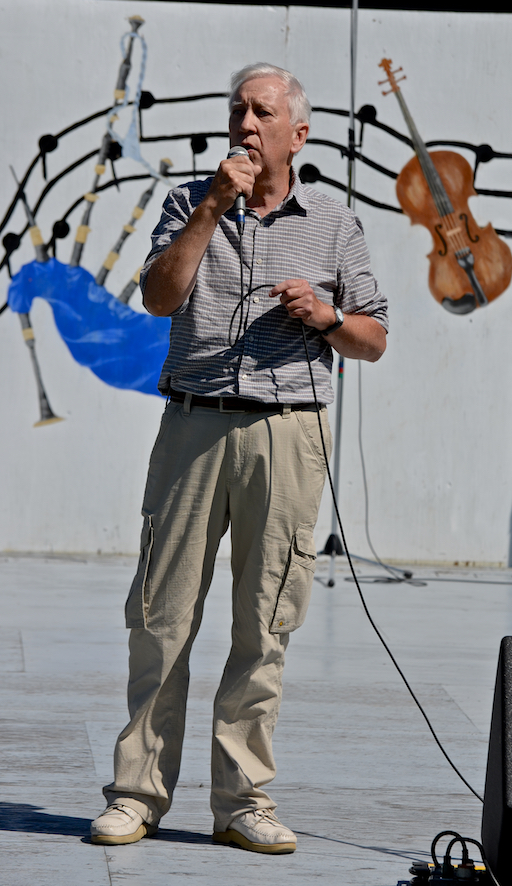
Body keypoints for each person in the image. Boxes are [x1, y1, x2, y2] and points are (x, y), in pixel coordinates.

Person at [90, 62, 388, 855]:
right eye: (238, 111)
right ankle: (137, 793)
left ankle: (241, 800)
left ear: (299, 132)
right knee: (160, 617)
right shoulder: (190, 201)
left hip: (289, 434)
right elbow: (159, 296)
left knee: (265, 622)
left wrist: (326, 316)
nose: (246, 124)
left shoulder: (333, 222)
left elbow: (374, 340)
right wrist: (214, 206)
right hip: (193, 424)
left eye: (262, 113)